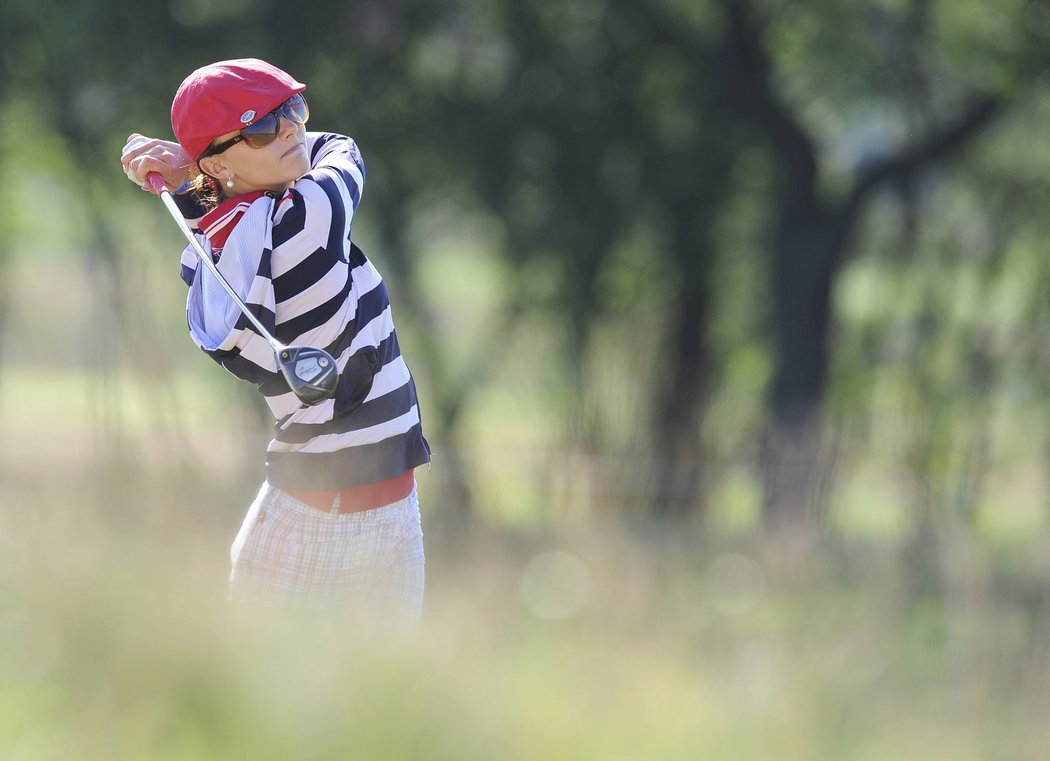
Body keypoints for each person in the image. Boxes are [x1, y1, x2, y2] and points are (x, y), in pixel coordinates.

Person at [120, 59, 431, 631]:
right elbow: (344, 148)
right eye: (263, 128)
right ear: (218, 160)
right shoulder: (307, 218)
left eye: (292, 111)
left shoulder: (228, 239)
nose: (290, 130)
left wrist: (195, 179)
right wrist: (195, 172)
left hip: (379, 508)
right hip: (321, 520)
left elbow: (225, 213)